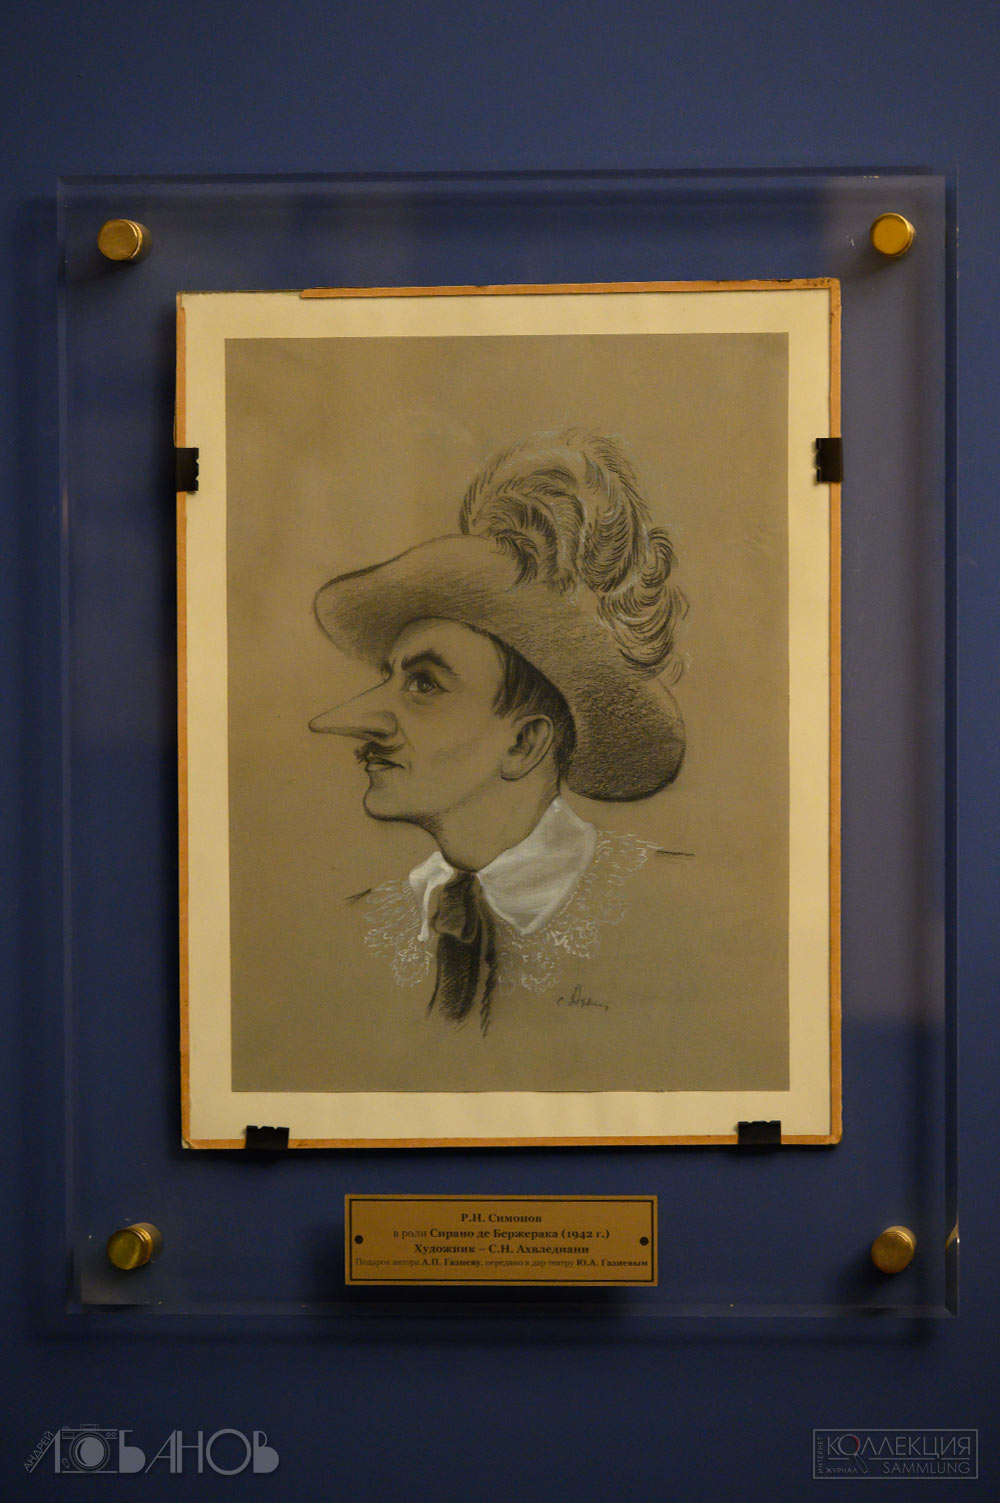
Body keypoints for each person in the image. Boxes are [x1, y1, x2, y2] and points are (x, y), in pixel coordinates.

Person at [310, 429, 687, 1033]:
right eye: (390, 677)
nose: (352, 720)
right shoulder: (358, 925)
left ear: (525, 742)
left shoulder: (677, 910)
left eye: (424, 684)